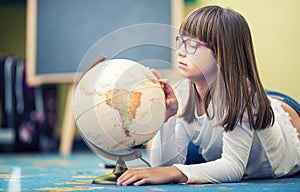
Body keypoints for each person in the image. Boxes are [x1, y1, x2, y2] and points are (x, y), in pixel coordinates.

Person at [116, 5, 300, 186]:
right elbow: (161, 167)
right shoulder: (182, 91)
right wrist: (168, 116)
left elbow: (232, 167)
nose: (180, 52)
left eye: (192, 45)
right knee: (195, 158)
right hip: (225, 116)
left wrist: (174, 172)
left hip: (288, 119)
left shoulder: (243, 97)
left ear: (222, 54)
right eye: (180, 42)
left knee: (196, 160)